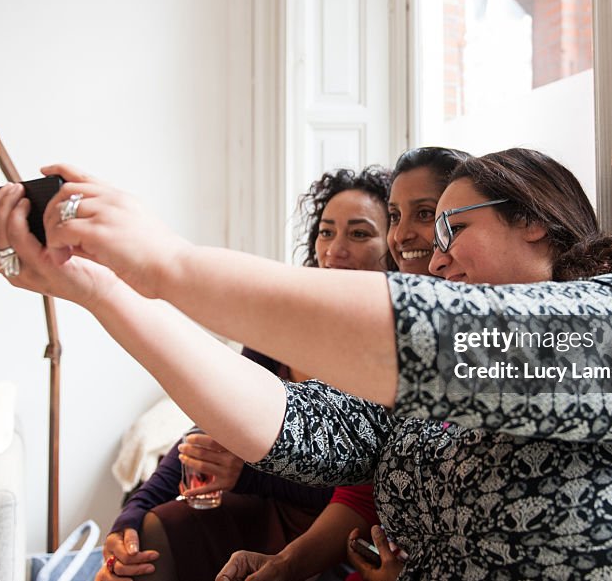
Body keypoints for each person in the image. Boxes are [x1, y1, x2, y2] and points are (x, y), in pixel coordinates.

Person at [0, 148, 612, 580]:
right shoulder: (428, 404)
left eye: (453, 224)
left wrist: (169, 261)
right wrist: (99, 288)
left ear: (535, 220)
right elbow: (290, 423)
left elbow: (448, 339)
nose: (432, 252)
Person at [95, 166, 393, 581]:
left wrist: (247, 473)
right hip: (266, 509)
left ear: (392, 245)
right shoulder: (284, 328)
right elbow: (207, 431)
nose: (336, 249)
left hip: (342, 528)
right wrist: (130, 515)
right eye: (326, 232)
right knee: (152, 533)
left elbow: (363, 481)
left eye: (359, 234)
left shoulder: (392, 346)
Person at [219, 147, 470, 581]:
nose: (404, 234)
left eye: (426, 214)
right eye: (395, 217)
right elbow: (359, 486)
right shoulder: (398, 334)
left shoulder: (522, 342)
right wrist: (284, 567)